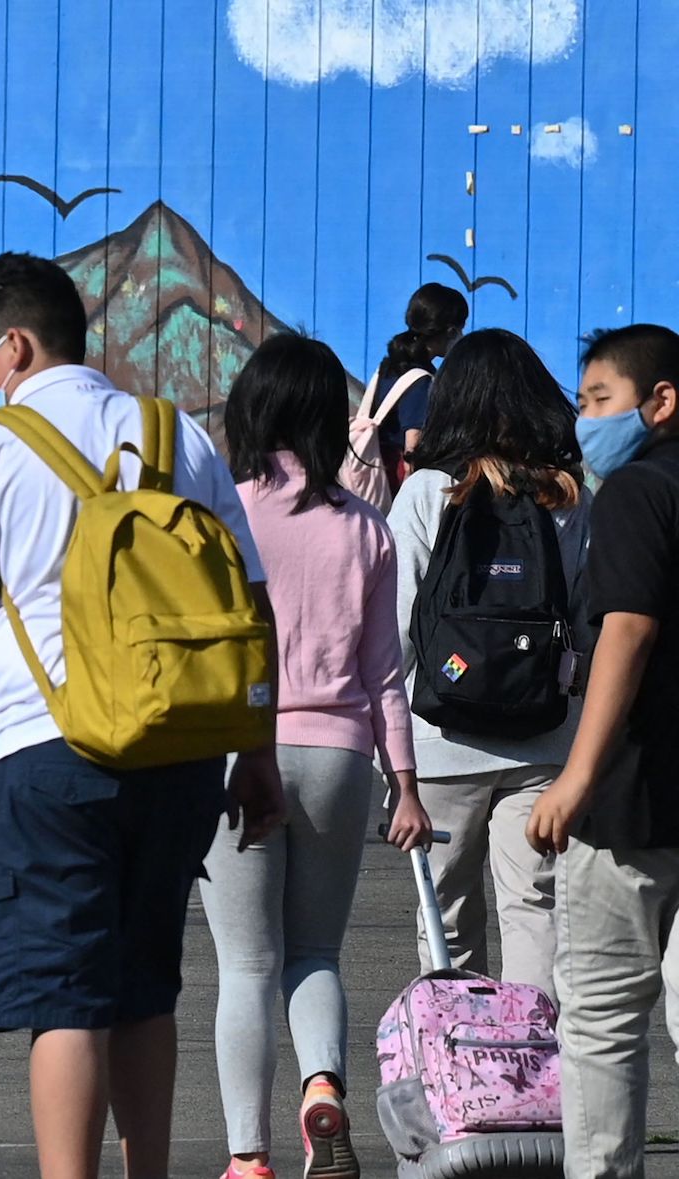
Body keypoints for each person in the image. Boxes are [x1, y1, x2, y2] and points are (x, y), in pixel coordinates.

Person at [0, 252, 284, 1179]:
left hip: (47, 756)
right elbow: (251, 609)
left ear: (14, 346)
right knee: (145, 991)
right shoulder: (177, 435)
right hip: (182, 750)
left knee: (66, 998)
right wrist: (253, 754)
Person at [203, 333, 434, 1179]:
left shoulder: (223, 515)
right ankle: (322, 1083)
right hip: (341, 756)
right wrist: (404, 784)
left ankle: (247, 1157)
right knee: (313, 953)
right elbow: (386, 672)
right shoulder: (366, 529)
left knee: (245, 964)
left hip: (239, 755)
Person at [387, 329, 585, 999]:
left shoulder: (428, 492)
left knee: (446, 916)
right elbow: (585, 620)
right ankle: (534, 1067)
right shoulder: (565, 496)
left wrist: (388, 752)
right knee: (535, 909)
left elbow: (398, 627)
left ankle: (466, 1077)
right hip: (542, 739)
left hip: (442, 742)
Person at [525, 324, 679, 1178]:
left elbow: (628, 627)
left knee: (603, 1026)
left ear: (660, 402)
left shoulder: (634, 492)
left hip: (631, 802)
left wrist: (574, 779)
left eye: (598, 401)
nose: (584, 421)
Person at [369, 283, 468, 484]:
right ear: (450, 331)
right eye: (460, 329)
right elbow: (413, 444)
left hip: (372, 467)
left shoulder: (388, 366)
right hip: (395, 480)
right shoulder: (420, 379)